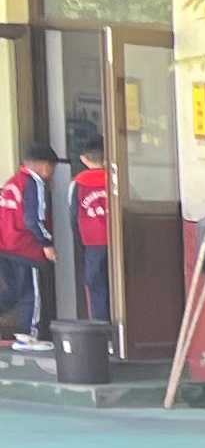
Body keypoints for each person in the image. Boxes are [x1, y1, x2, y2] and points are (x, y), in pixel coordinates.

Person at [0, 138, 48, 337]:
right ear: (45, 166)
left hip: (5, 246)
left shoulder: (11, 182)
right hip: (25, 248)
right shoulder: (34, 183)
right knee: (31, 295)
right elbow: (33, 219)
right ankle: (30, 335)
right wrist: (46, 243)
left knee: (13, 292)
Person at [68, 126, 113, 331]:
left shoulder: (77, 183)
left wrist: (79, 244)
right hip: (115, 241)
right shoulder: (114, 179)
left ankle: (101, 333)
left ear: (83, 159)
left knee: (96, 288)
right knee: (118, 287)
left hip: (92, 243)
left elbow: (73, 216)